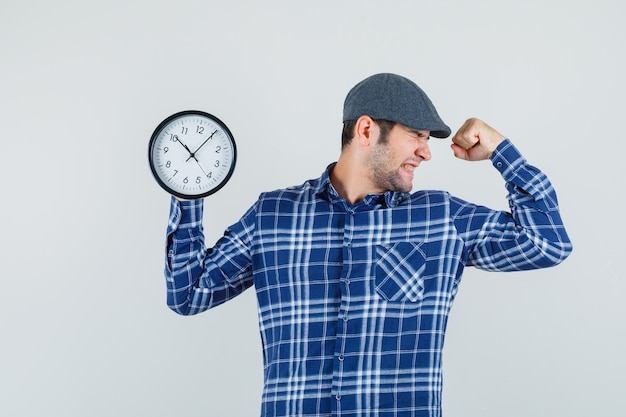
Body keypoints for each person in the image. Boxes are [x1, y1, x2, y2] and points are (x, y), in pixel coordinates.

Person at [163, 73, 572, 417]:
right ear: (365, 130)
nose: (427, 152)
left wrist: (501, 150)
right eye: (416, 135)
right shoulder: (273, 215)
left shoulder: (442, 218)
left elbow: (547, 242)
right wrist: (186, 191)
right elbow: (188, 294)